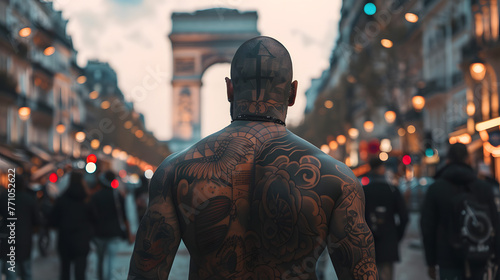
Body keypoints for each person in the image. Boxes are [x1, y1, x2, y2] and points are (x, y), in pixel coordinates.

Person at [129, 36, 378, 279]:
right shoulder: (338, 178)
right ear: (292, 93)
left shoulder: (173, 171)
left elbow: (145, 272)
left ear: (229, 88)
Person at [421, 143, 500, 280]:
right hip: (479, 253)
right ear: (468, 159)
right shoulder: (483, 188)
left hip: (447, 257)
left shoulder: (436, 189)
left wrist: (431, 262)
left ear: (448, 160)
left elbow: (428, 227)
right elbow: (496, 223)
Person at [363, 157, 408, 280]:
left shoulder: (364, 191)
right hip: (388, 242)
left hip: (368, 243)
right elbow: (404, 217)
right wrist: (396, 236)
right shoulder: (392, 190)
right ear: (382, 168)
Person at [49, 171, 96, 280]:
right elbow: (94, 218)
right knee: (80, 273)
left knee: (65, 272)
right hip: (82, 241)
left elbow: (52, 220)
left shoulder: (62, 200)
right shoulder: (86, 200)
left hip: (65, 240)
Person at [91, 170, 133, 280]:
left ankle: (100, 277)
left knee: (100, 260)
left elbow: (91, 216)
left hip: (99, 233)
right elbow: (124, 216)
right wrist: (129, 233)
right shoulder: (118, 196)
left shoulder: (95, 196)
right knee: (111, 261)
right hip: (114, 232)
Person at [0, 174, 41, 280]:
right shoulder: (29, 199)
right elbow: (37, 220)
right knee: (26, 271)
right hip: (25, 239)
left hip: (8, 239)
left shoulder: (4, 198)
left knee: (11, 272)